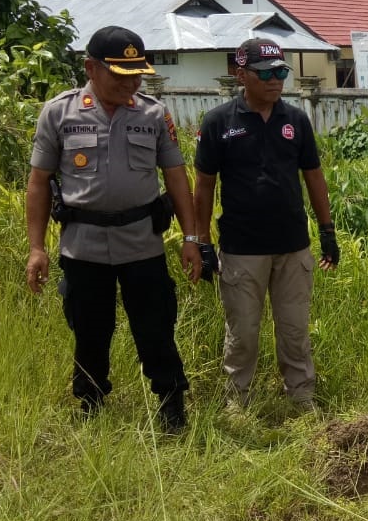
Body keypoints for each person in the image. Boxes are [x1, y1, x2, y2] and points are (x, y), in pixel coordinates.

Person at [25, 25, 201, 433]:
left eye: (137, 73)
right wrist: (37, 247)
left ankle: (172, 404)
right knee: (89, 329)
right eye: (121, 74)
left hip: (142, 242)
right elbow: (38, 181)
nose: (133, 82)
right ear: (90, 67)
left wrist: (191, 238)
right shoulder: (59, 113)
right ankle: (91, 403)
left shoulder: (153, 113)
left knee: (155, 327)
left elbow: (176, 177)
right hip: (82, 246)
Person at [193, 38, 339, 411]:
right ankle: (237, 402)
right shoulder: (218, 123)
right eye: (266, 74)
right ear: (241, 75)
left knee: (294, 330)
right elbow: (204, 186)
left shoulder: (296, 120)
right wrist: (202, 242)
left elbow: (314, 177)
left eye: (281, 73)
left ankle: (302, 396)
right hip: (242, 248)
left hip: (292, 245)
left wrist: (327, 232)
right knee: (243, 333)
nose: (276, 81)